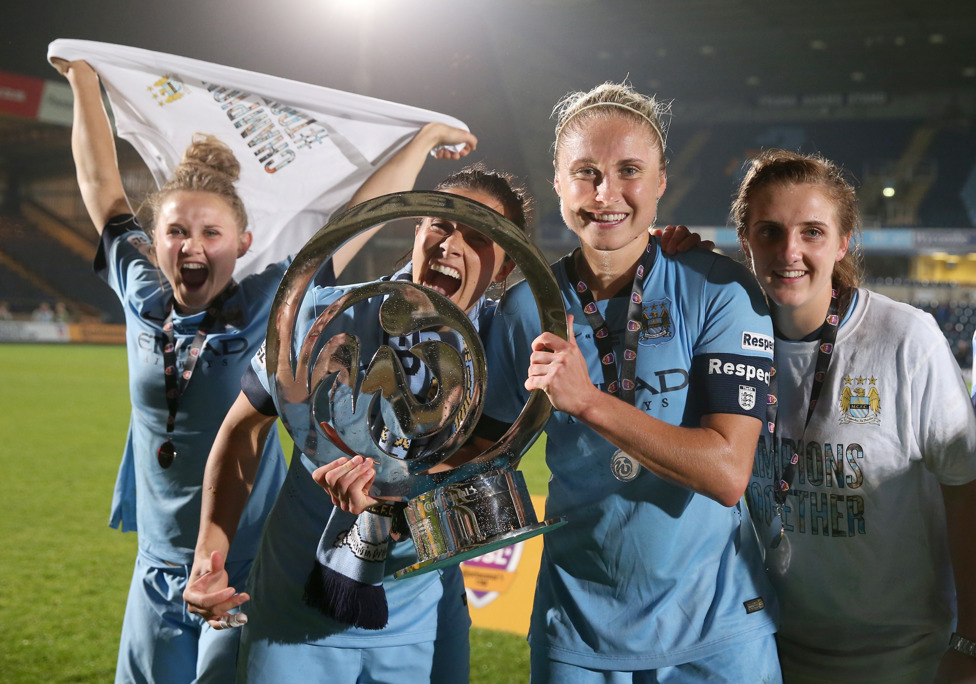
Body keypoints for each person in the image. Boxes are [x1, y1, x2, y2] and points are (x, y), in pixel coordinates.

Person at [52, 57, 380, 683]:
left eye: (211, 232)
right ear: (156, 240)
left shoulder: (266, 303)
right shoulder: (142, 293)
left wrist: (419, 140)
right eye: (176, 231)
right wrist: (83, 82)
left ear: (243, 242)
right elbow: (101, 186)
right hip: (157, 566)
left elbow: (350, 224)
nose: (192, 246)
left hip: (246, 566)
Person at [474, 81, 781, 681]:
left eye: (629, 171)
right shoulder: (521, 310)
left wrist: (587, 403)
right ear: (558, 183)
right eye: (585, 172)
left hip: (717, 633)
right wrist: (377, 472)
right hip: (577, 635)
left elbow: (726, 473)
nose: (606, 193)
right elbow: (481, 458)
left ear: (663, 181)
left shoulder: (722, 290)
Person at [182, 144, 524, 680]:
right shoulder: (323, 313)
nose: (451, 243)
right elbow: (243, 428)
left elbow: (477, 485)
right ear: (415, 230)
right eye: (440, 225)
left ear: (503, 268)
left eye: (478, 237)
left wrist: (388, 500)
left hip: (420, 612)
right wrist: (210, 551)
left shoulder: (505, 351)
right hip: (294, 609)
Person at [734, 149, 976, 683]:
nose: (789, 251)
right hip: (771, 655)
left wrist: (971, 644)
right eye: (769, 231)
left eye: (812, 232)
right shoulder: (728, 340)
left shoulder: (905, 339)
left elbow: (968, 488)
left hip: (905, 661)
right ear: (746, 241)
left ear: (843, 242)